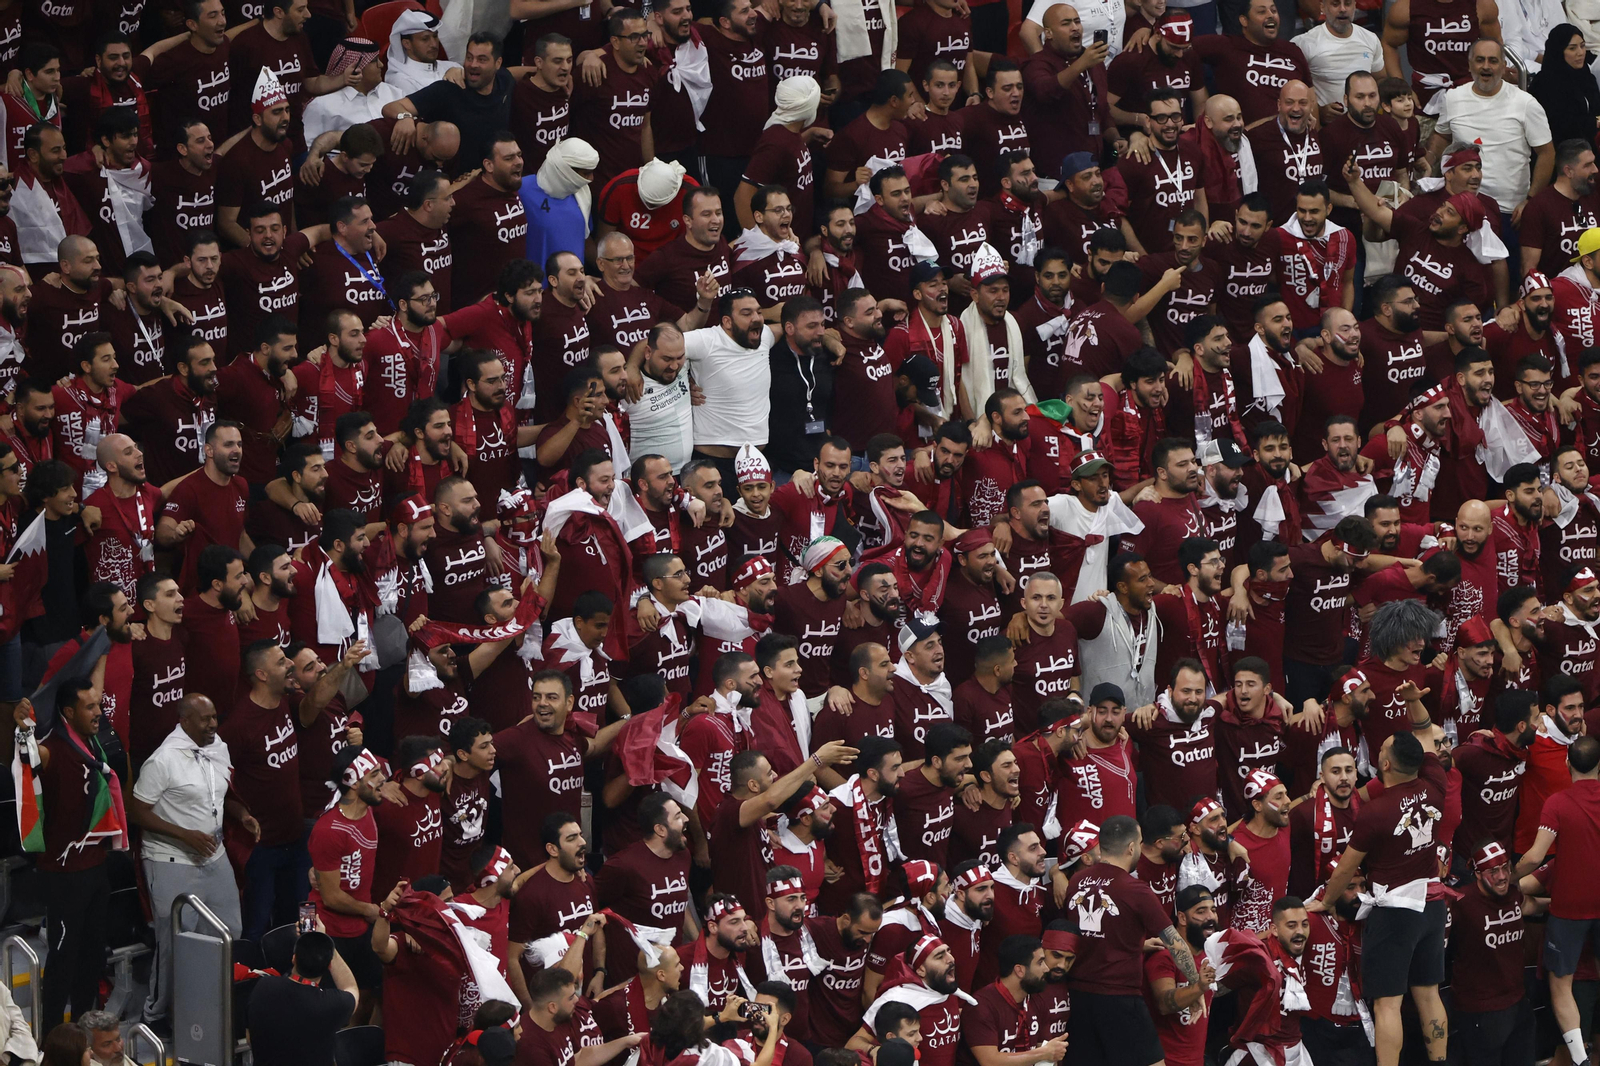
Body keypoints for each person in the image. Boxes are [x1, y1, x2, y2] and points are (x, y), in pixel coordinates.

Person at [128, 694, 254, 1027]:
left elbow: (217, 797)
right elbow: (137, 811)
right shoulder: (163, 760)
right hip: (171, 860)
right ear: (184, 721)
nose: (213, 724)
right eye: (205, 719)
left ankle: (207, 1006)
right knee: (175, 943)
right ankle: (155, 1014)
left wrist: (241, 814)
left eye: (214, 717)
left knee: (229, 931)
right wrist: (185, 835)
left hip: (214, 856)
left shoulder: (217, 748)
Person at [245, 929, 358, 1066]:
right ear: (329, 965)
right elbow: (351, 988)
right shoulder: (332, 1004)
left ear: (294, 958)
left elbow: (249, 1038)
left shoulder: (263, 986)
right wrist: (327, 944)